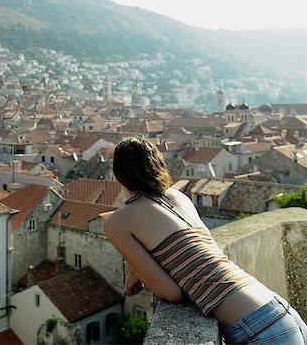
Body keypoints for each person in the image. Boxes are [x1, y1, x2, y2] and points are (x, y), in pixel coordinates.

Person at [104, 137, 307, 344]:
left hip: (259, 329)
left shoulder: (118, 222)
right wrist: (135, 269)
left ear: (118, 175)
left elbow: (171, 293)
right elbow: (185, 249)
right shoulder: (177, 198)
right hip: (279, 310)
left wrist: (139, 271)